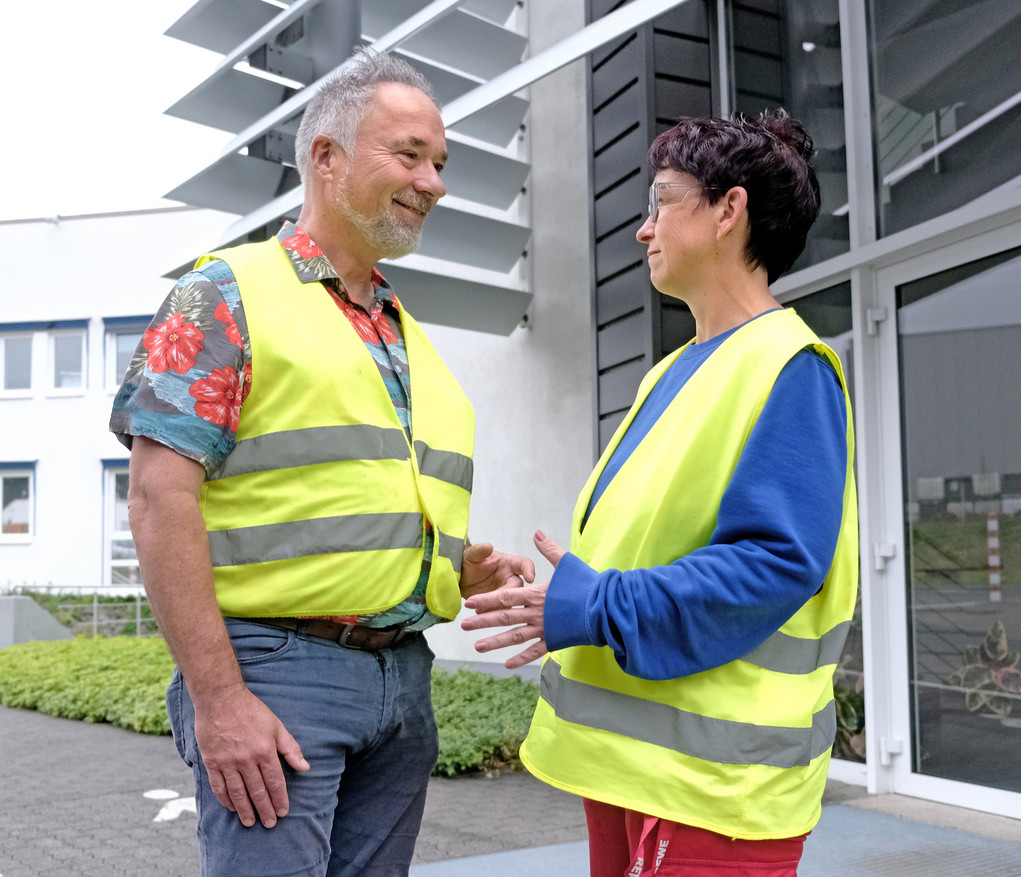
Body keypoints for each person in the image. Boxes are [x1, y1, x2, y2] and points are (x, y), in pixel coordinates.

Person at [110, 48, 533, 877]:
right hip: (276, 675)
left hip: (403, 681)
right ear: (326, 157)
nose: (435, 183)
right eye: (409, 155)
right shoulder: (225, 292)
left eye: (439, 163)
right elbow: (161, 499)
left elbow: (341, 492)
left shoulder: (401, 331)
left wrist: (450, 565)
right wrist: (220, 699)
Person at [463, 110, 858, 877]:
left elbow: (773, 564)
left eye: (661, 201)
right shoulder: (673, 371)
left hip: (716, 786)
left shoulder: (789, 365)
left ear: (728, 211)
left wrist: (589, 606)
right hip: (639, 770)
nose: (643, 230)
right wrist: (561, 594)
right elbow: (649, 544)